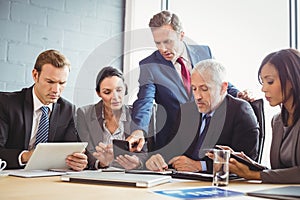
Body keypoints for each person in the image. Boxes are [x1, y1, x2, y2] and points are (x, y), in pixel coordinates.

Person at [128, 10, 251, 153]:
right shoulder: (149, 65)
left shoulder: (204, 52)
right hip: (172, 141)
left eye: (167, 41)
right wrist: (139, 130)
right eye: (158, 43)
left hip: (206, 136)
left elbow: (218, 81)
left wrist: (238, 94)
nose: (162, 48)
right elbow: (145, 101)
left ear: (181, 35)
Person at [145, 59, 259, 172]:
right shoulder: (187, 111)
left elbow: (246, 164)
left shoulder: (241, 111)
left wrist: (201, 166)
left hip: (220, 185)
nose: (197, 96)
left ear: (223, 87)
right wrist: (158, 160)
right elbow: (172, 151)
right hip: (182, 182)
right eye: (194, 89)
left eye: (204, 89)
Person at [218, 48, 300, 183]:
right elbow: (281, 172)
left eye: (270, 82)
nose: (264, 89)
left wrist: (254, 175)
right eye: (263, 82)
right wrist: (249, 164)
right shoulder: (278, 121)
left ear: (291, 80)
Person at [0, 49, 87, 171]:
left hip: (48, 177)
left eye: (62, 83)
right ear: (35, 75)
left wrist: (79, 161)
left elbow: (72, 150)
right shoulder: (6, 103)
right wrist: (26, 156)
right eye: (50, 81)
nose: (56, 90)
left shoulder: (68, 110)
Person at [77, 66, 147, 170]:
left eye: (119, 90)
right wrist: (101, 163)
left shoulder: (138, 115)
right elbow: (86, 152)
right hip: (98, 176)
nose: (115, 97)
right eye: (107, 92)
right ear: (98, 93)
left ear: (125, 90)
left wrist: (138, 163)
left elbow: (146, 152)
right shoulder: (84, 114)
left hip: (130, 175)